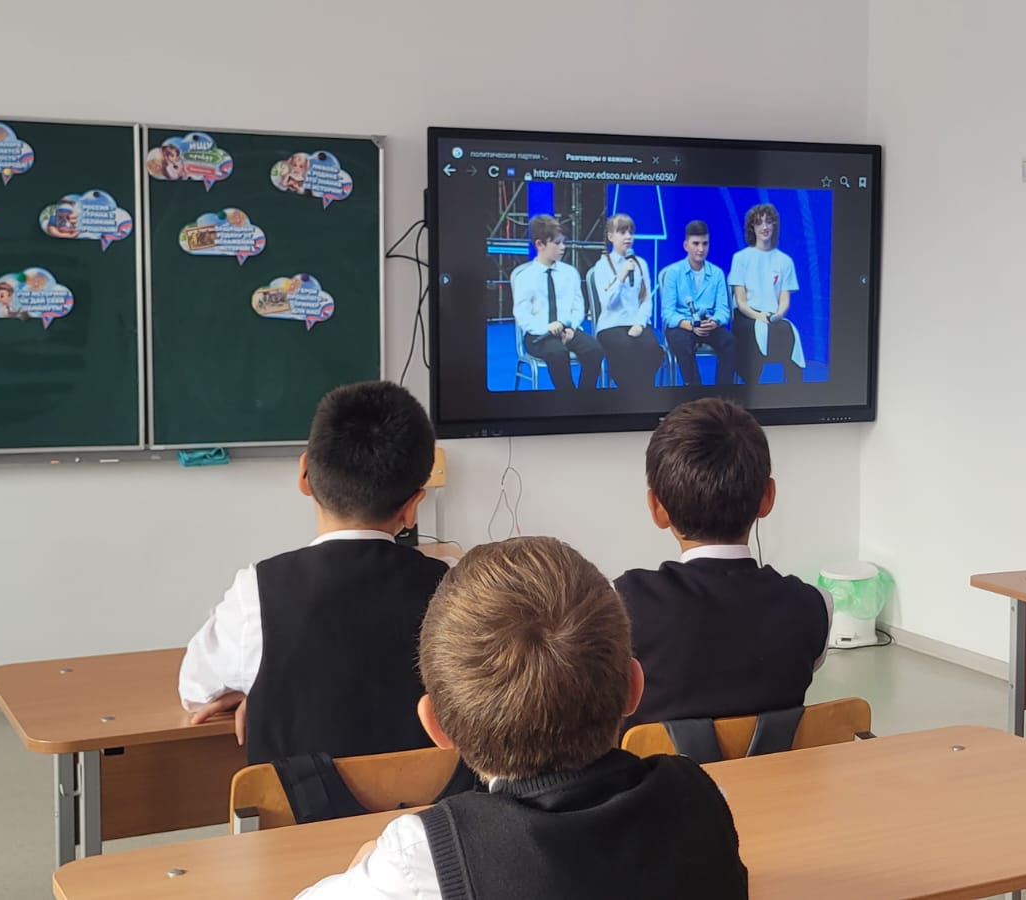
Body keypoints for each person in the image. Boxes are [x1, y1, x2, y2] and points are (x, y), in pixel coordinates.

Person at [296, 536, 750, 900]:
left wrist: (368, 866)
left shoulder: (425, 858)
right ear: (634, 687)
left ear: (437, 726)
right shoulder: (703, 799)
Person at [178, 381, 451, 765]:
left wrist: (259, 691)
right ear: (413, 507)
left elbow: (195, 691)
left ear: (304, 474)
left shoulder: (258, 591)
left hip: (299, 804)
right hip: (433, 802)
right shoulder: (455, 588)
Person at [615, 397, 831, 729]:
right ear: (767, 498)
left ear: (657, 507)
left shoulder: (620, 607)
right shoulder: (817, 606)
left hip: (660, 767)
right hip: (777, 766)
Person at [510, 214, 604, 391]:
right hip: (538, 334)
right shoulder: (525, 277)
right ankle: (568, 398)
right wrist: (546, 328)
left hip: (568, 329)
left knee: (595, 350)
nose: (563, 247)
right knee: (557, 353)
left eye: (563, 242)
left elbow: (578, 307)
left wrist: (571, 327)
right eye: (557, 243)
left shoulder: (570, 273)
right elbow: (522, 315)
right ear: (540, 244)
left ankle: (585, 396)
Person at [728, 203, 805, 385]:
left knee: (789, 332)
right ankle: (751, 391)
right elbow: (740, 302)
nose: (764, 227)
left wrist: (777, 315)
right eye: (759, 223)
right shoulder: (740, 258)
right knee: (754, 334)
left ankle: (796, 392)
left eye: (768, 222)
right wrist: (759, 317)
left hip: (773, 317)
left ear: (774, 226)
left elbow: (784, 300)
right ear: (752, 228)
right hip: (746, 316)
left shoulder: (785, 261)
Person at [587, 213, 665, 389]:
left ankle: (645, 394)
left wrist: (640, 323)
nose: (628, 237)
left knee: (651, 349)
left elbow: (646, 300)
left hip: (636, 323)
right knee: (626, 349)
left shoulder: (641, 264)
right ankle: (630, 394)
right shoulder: (602, 266)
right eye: (622, 232)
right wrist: (621, 277)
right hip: (611, 325)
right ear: (611, 237)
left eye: (631, 232)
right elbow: (607, 303)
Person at [657, 220, 736, 386]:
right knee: (682, 343)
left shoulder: (717, 273)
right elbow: (668, 314)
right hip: (683, 325)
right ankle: (695, 394)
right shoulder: (673, 273)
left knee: (729, 343)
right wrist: (691, 326)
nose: (701, 249)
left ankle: (722, 394)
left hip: (709, 325)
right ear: (686, 245)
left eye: (705, 244)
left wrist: (714, 322)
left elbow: (723, 311)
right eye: (696, 244)